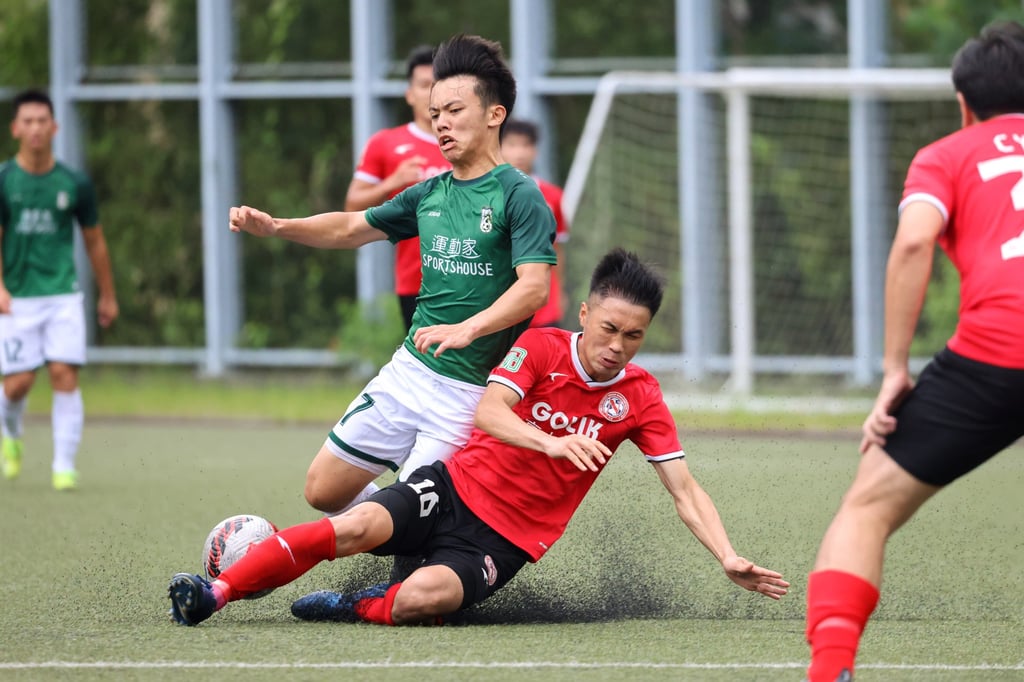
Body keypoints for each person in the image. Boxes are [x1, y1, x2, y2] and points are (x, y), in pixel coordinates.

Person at [167, 248, 789, 627]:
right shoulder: (542, 347)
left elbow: (684, 489)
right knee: (350, 527)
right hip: (453, 489)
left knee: (422, 600)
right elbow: (490, 413)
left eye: (633, 337)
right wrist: (551, 443)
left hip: (511, 538)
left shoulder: (642, 396)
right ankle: (215, 593)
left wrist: (726, 554)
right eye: (609, 329)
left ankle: (355, 606)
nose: (616, 347)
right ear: (584, 315)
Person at [228, 34, 556, 516]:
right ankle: (394, 526)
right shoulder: (429, 193)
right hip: (408, 372)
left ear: (494, 114)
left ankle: (402, 553)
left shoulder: (519, 195)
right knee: (322, 491)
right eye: (435, 111)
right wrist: (277, 226)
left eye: (454, 110)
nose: (441, 122)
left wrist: (469, 328)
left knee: (410, 525)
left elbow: (533, 288)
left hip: (468, 393)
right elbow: (348, 227)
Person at [805, 21, 1024, 682]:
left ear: (963, 103)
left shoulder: (948, 154)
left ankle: (832, 672)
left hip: (995, 354)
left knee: (868, 505)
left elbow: (911, 244)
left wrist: (895, 370)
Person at [0, 89, 118, 491]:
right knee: (17, 384)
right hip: (17, 298)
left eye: (42, 121)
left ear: (54, 127)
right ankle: (11, 436)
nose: (35, 128)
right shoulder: (4, 181)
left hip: (63, 295)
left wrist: (107, 294)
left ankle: (63, 466)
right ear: (15, 128)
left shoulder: (74, 183)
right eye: (27, 121)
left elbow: (94, 241)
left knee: (64, 374)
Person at [344, 45, 452, 332]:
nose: (431, 93)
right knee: (424, 366)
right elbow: (352, 205)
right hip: (415, 278)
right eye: (424, 85)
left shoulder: (467, 142)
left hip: (472, 275)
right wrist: (393, 182)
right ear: (409, 93)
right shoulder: (386, 143)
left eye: (438, 85)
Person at [501, 118, 568, 328]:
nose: (520, 152)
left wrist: (561, 292)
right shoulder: (487, 193)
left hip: (543, 303)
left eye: (526, 145)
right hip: (502, 300)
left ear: (535, 150)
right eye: (512, 144)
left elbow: (557, 248)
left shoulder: (553, 196)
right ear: (498, 148)